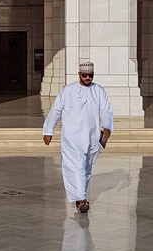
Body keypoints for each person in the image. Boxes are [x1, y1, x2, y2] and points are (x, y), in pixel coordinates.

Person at [43, 60, 113, 213]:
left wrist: (107, 127)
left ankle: (79, 195)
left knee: (86, 168)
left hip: (91, 137)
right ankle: (82, 199)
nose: (88, 78)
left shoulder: (99, 91)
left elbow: (106, 111)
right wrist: (48, 130)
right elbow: (56, 110)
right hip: (71, 138)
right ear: (79, 74)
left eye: (90, 75)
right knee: (77, 167)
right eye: (85, 75)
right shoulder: (68, 91)